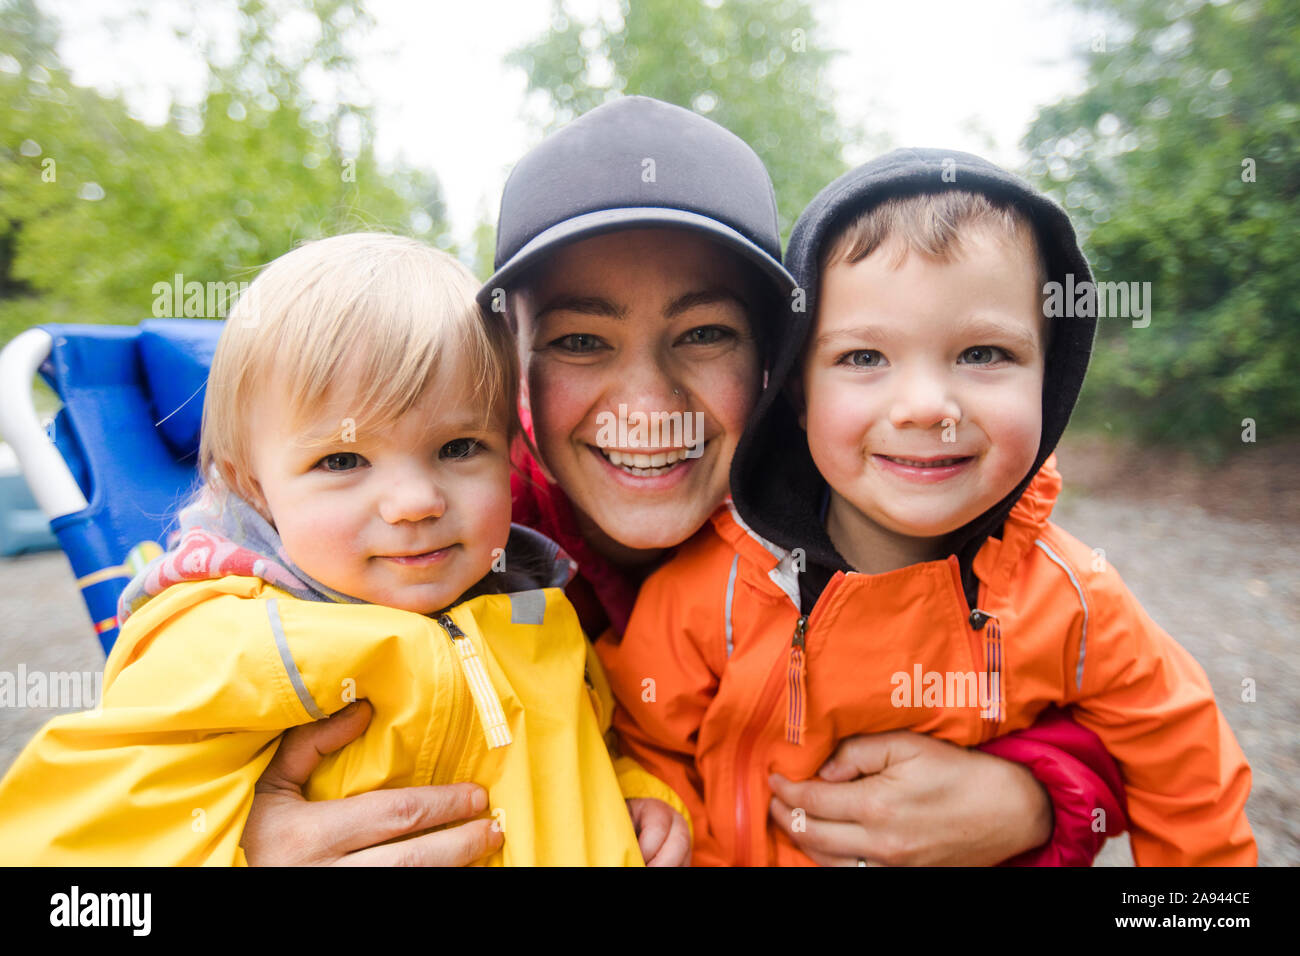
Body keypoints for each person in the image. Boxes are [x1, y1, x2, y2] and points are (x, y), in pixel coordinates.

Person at [238, 98, 1128, 867]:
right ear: (510, 370)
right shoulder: (408, 541)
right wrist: (228, 843)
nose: (648, 402)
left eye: (704, 334)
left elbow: (1114, 701)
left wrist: (1038, 796)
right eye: (582, 341)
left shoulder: (890, 509)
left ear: (780, 363)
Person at [599, 147, 1257, 865]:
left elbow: (1188, 775)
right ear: (795, 388)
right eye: (864, 358)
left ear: (1052, 371)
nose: (924, 408)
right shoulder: (716, 593)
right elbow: (643, 744)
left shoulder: (1077, 601)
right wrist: (661, 812)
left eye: (982, 354)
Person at [0, 233, 691, 866]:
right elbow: (63, 860)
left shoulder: (537, 611)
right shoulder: (230, 647)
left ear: (507, 454)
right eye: (342, 460)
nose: (414, 501)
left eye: (458, 447)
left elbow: (579, 746)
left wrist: (630, 793)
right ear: (254, 489)